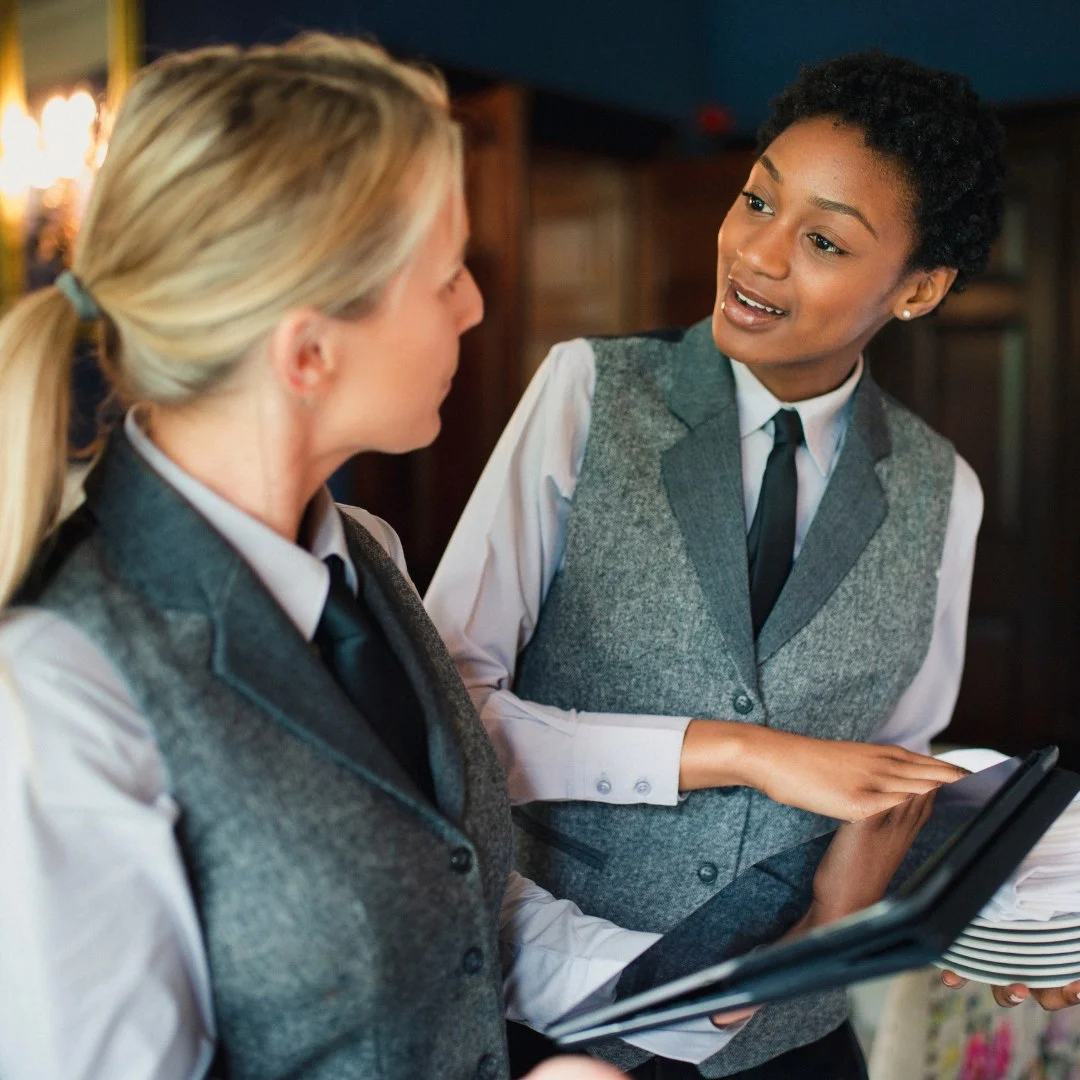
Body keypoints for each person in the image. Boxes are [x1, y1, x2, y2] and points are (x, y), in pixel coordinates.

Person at [0, 34, 749, 1080]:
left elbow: (453, 916)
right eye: (447, 277)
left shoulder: (367, 559)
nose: (476, 308)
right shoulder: (60, 687)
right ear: (309, 352)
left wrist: (709, 979)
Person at [426, 51, 1080, 1079]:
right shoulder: (588, 393)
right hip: (553, 1008)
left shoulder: (942, 487)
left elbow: (900, 782)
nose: (757, 255)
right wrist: (735, 748)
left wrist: (1013, 919)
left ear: (920, 288)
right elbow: (448, 717)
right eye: (756, 198)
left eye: (822, 238)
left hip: (794, 1035)